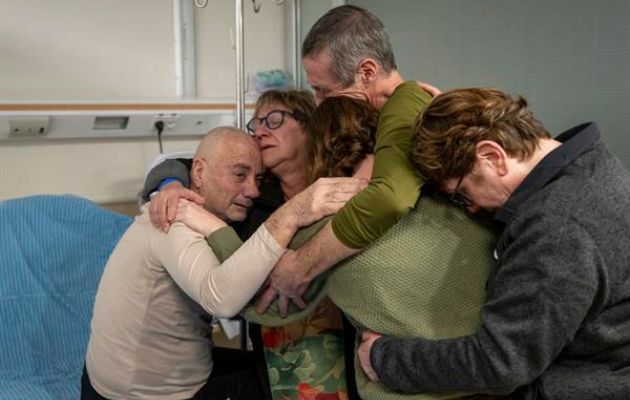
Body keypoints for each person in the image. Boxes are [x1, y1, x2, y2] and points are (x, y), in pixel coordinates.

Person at [196, 96, 498, 400]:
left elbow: (251, 296)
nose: (260, 132)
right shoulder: (457, 198)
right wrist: (168, 181)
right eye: (256, 123)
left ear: (311, 137)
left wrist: (212, 227)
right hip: (489, 379)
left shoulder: (329, 229)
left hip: (400, 385)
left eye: (274, 120)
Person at [358, 88, 630, 399]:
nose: (470, 207)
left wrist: (383, 357)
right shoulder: (591, 164)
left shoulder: (558, 228)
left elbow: (501, 362)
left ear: (492, 157)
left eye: (462, 195)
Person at [82, 126, 364, 400]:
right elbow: (222, 300)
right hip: (144, 392)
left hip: (142, 373)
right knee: (287, 382)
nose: (252, 190)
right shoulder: (173, 217)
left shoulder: (215, 207)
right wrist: (292, 214)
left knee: (266, 365)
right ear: (200, 172)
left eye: (258, 179)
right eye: (240, 174)